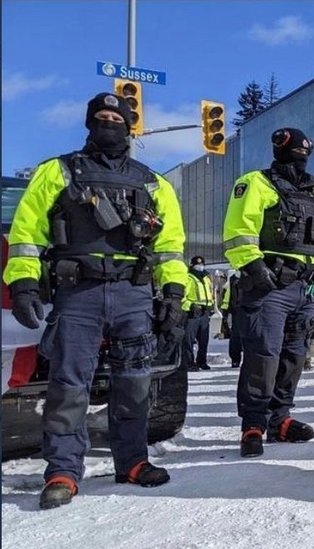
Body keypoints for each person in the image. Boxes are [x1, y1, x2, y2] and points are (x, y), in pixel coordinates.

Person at [3, 92, 188, 509]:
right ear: (90, 124)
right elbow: (27, 234)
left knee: (134, 382)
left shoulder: (152, 182)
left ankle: (133, 461)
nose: (109, 123)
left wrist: (175, 294)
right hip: (78, 293)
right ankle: (63, 471)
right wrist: (23, 284)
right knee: (69, 384)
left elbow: (171, 248)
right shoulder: (58, 171)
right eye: (101, 117)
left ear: (129, 127)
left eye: (116, 118)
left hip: (133, 293)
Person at [223, 127, 314, 457]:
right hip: (270, 286)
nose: (299, 157)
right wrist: (253, 267)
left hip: (306, 287)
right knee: (263, 356)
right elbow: (238, 231)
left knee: (294, 357)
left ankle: (280, 419)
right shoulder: (256, 183)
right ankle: (253, 424)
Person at [183, 255, 214, 371]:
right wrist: (190, 306)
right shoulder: (188, 278)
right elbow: (182, 297)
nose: (200, 266)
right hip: (193, 313)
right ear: (192, 265)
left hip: (204, 312)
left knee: (204, 340)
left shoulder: (206, 277)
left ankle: (202, 361)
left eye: (202, 264)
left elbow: (210, 293)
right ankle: (189, 362)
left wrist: (211, 305)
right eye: (197, 264)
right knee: (188, 340)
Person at [220, 270, 242, 368]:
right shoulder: (233, 279)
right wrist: (225, 311)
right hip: (237, 311)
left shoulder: (253, 275)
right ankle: (235, 359)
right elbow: (228, 296)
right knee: (235, 337)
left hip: (250, 309)